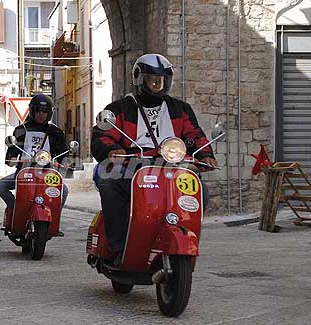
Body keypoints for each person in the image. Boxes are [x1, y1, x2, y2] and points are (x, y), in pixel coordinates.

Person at [91, 54, 217, 264]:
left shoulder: (180, 108)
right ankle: (119, 245)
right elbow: (102, 135)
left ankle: (178, 231)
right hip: (132, 164)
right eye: (153, 80)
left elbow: (194, 134)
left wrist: (205, 154)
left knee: (200, 191)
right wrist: (113, 150)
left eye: (163, 80)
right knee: (110, 183)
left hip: (171, 165)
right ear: (140, 79)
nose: (158, 85)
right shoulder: (120, 108)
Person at [0, 94, 70, 215]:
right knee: (0, 186)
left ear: (49, 113)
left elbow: (62, 153)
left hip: (47, 172)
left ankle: (54, 219)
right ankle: (17, 212)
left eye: (44, 112)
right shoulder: (21, 129)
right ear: (32, 111)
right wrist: (12, 159)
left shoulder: (56, 132)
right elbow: (12, 152)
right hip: (24, 172)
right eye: (38, 111)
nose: (41, 114)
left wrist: (65, 162)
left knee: (64, 190)